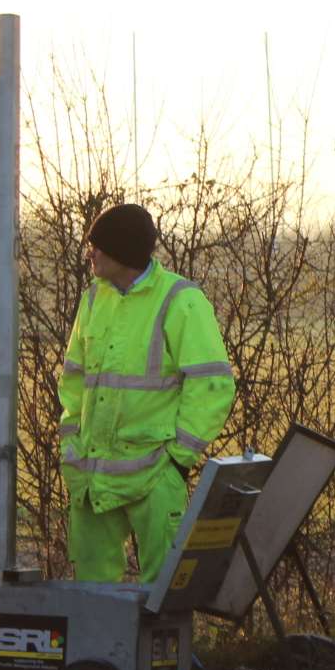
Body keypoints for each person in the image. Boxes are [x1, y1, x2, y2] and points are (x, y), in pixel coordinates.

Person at [57, 204, 236, 583]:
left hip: (155, 476)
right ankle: (102, 646)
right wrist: (71, 451)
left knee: (163, 594)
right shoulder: (94, 299)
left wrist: (178, 459)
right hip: (93, 479)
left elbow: (213, 385)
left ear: (122, 251)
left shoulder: (180, 300)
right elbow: (74, 382)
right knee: (92, 595)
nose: (90, 252)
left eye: (98, 245)